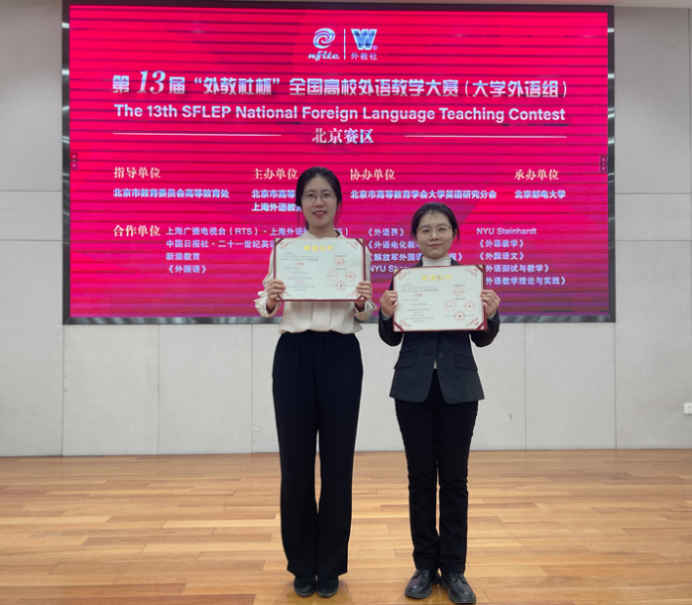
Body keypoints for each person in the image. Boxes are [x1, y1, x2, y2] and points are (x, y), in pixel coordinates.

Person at [255, 166, 375, 598]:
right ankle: (302, 564)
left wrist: (362, 302)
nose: (319, 202)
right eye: (310, 195)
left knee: (339, 465)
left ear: (339, 202)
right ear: (300, 203)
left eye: (326, 194)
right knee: (296, 465)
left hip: (341, 354)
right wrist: (270, 299)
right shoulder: (285, 250)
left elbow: (365, 310)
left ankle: (330, 567)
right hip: (295, 354)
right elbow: (266, 302)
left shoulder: (356, 250)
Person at [378, 202, 500, 605]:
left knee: (454, 481)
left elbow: (481, 338)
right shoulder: (403, 279)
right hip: (412, 388)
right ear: (415, 237)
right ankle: (424, 567)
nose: (434, 236)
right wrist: (385, 314)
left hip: (458, 389)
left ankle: (455, 570)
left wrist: (491, 314)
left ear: (454, 235)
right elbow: (391, 338)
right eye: (426, 230)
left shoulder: (470, 279)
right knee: (419, 480)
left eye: (442, 228)